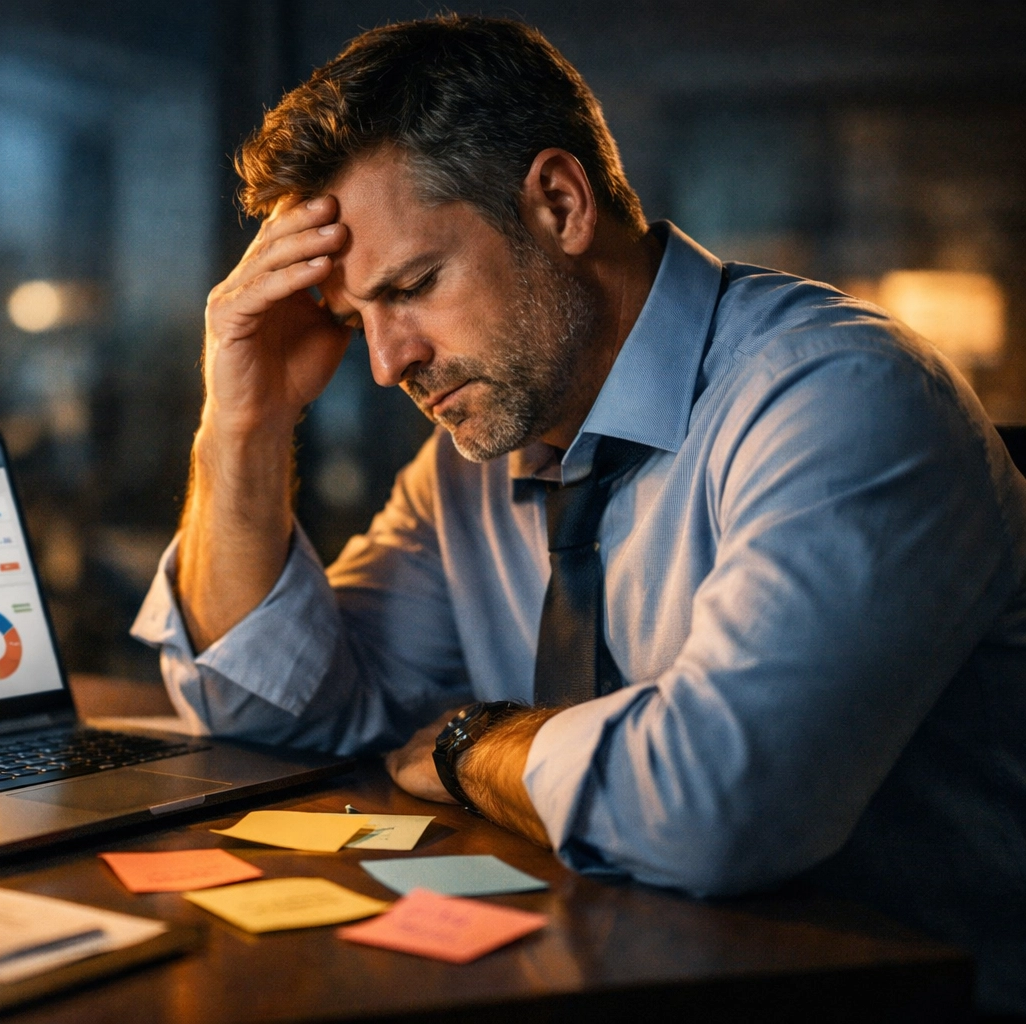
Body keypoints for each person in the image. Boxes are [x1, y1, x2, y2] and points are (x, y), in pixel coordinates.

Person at [131, 15, 1026, 1014]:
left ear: (559, 203)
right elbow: (274, 712)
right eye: (353, 321)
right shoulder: (468, 468)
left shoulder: (840, 398)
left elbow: (713, 807)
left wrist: (474, 743)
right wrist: (243, 421)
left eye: (415, 286)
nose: (384, 365)